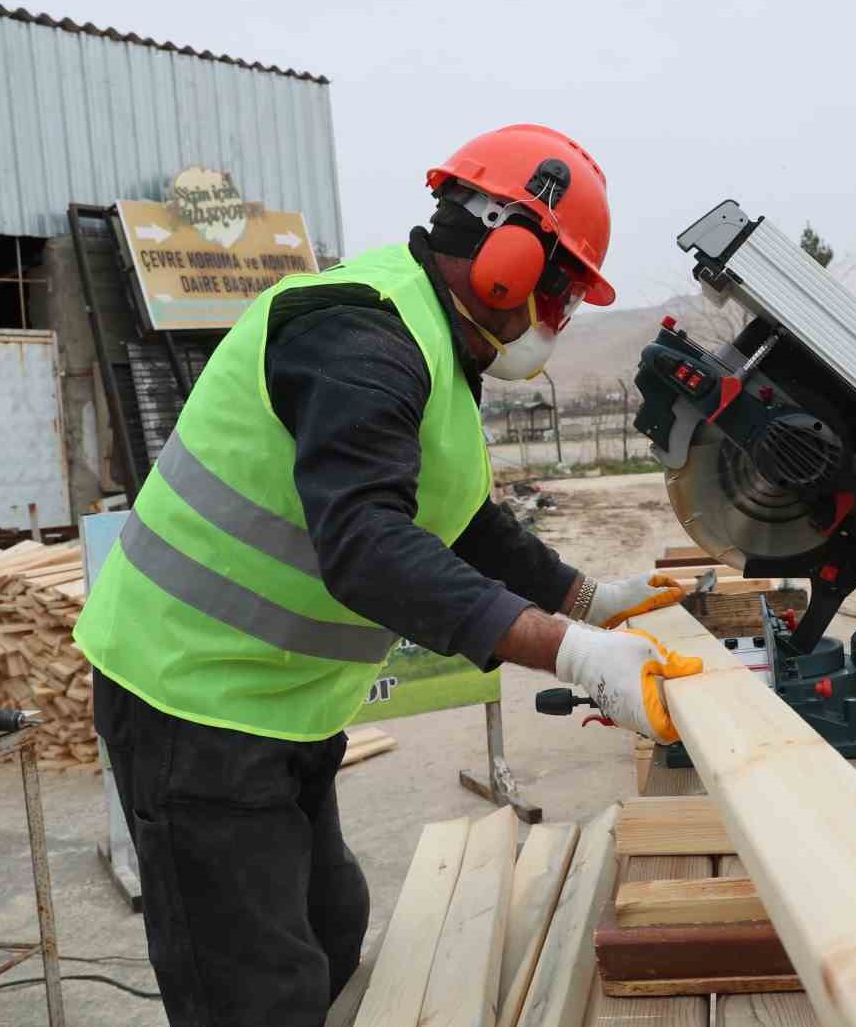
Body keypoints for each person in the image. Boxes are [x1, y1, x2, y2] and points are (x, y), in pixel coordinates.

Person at [73, 124, 698, 1027]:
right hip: (189, 697)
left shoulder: (432, 340)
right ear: (508, 259)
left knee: (330, 931)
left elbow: (457, 515)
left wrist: (582, 599)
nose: (557, 320)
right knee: (255, 994)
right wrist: (570, 653)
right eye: (560, 290)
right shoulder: (360, 338)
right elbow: (367, 543)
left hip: (278, 702)